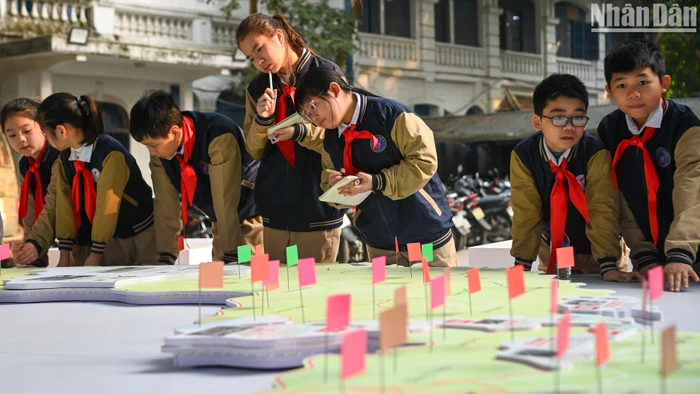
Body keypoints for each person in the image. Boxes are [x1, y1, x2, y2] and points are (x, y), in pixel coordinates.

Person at [294, 67, 458, 267]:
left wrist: (377, 181)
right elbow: (328, 178)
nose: (313, 118)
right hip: (380, 242)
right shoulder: (330, 139)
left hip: (426, 234)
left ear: (335, 90)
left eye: (312, 107)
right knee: (390, 299)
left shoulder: (392, 114)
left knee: (437, 296)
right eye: (306, 114)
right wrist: (336, 187)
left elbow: (424, 161)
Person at [237, 13, 344, 264]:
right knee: (277, 294)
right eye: (251, 58)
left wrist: (301, 132)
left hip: (317, 210)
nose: (258, 60)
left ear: (279, 36)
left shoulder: (324, 74)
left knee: (310, 295)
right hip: (274, 213)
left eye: (260, 49)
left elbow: (341, 134)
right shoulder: (257, 89)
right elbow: (253, 150)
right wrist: (264, 120)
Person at [509, 74, 635, 281]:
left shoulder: (595, 153)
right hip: (553, 251)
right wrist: (521, 265)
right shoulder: (524, 155)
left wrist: (608, 264)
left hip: (599, 254)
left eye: (578, 117)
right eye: (558, 118)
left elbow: (602, 208)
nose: (569, 126)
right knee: (556, 306)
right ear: (537, 122)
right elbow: (526, 212)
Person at [597, 39, 700, 292]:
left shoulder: (685, 126)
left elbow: (692, 191)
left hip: (691, 250)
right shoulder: (609, 131)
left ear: (664, 84)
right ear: (609, 91)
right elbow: (616, 195)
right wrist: (643, 256)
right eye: (622, 85)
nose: (633, 93)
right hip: (651, 258)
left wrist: (679, 253)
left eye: (643, 82)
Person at [128, 89, 261, 265]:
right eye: (146, 146)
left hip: (251, 217)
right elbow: (165, 202)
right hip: (220, 224)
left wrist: (232, 251)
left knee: (250, 279)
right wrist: (167, 254)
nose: (151, 152)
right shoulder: (162, 152)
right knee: (218, 284)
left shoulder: (217, 134)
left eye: (153, 145)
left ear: (175, 132)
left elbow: (225, 199)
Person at [37, 93, 157, 266]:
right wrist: (64, 255)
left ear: (61, 130)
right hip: (110, 237)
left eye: (45, 133)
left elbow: (107, 204)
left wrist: (96, 253)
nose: (46, 140)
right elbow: (64, 205)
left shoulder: (109, 152)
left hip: (140, 233)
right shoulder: (65, 158)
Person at [1, 98, 60, 267]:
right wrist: (33, 253)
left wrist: (35, 245)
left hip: (81, 239)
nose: (21, 139)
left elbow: (52, 207)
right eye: (12, 135)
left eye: (26, 131)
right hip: (26, 238)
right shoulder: (24, 164)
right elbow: (30, 213)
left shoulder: (59, 156)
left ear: (42, 126)